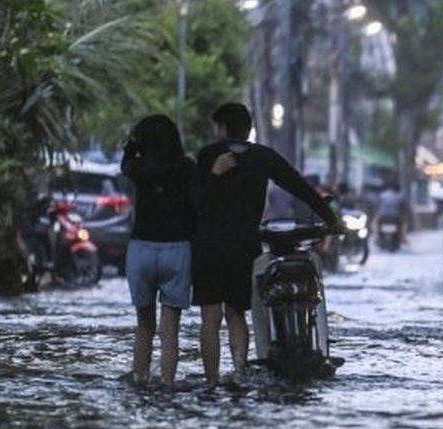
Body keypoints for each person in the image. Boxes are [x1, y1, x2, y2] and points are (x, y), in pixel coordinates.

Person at [193, 102, 340, 388]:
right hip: (245, 247)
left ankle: (211, 382)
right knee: (237, 313)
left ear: (222, 128)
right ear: (248, 128)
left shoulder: (208, 155)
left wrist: (214, 174)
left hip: (208, 247)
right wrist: (330, 217)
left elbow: (197, 201)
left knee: (210, 318)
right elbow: (298, 186)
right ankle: (238, 374)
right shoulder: (263, 157)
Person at [120, 114, 198, 387]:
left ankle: (140, 376)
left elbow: (125, 164)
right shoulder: (187, 168)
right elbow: (196, 206)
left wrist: (132, 144)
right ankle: (167, 381)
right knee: (170, 330)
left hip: (141, 249)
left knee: (144, 326)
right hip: (176, 250)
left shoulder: (140, 168)